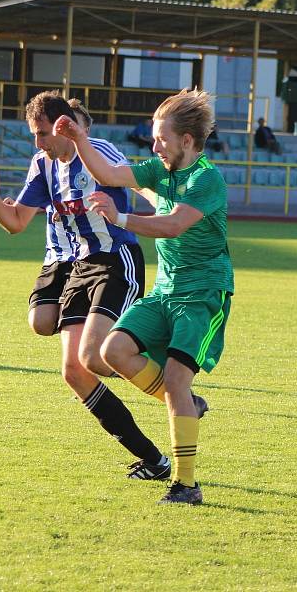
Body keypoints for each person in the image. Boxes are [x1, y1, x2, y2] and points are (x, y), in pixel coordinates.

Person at [0, 90, 183, 481]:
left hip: (115, 260)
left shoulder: (98, 150)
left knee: (95, 357)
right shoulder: (42, 164)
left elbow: (139, 182)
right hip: (76, 266)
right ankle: (155, 461)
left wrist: (168, 210)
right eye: (33, 135)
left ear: (60, 127)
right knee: (73, 370)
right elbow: (16, 222)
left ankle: (174, 385)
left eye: (41, 134)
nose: (36, 143)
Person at [53, 88, 234, 505]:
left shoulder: (207, 179)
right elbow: (110, 174)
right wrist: (80, 141)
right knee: (113, 350)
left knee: (174, 379)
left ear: (186, 141)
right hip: (165, 291)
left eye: (161, 138)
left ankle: (187, 485)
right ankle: (187, 402)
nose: (154, 146)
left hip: (203, 295)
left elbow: (173, 225)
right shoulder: (160, 170)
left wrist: (119, 217)